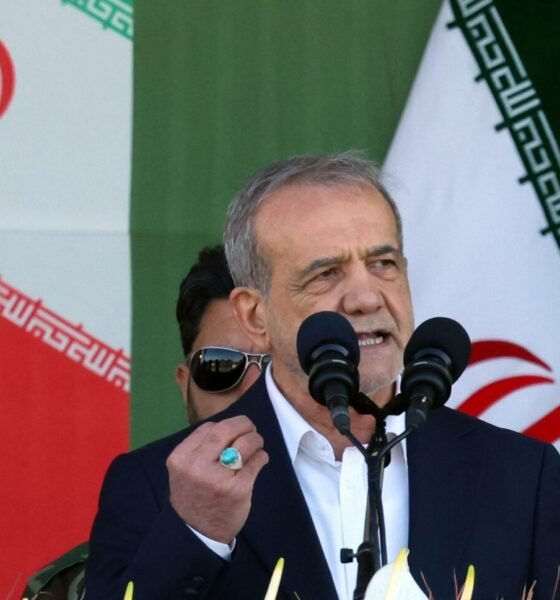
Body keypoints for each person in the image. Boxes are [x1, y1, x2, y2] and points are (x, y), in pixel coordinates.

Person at [84, 153, 560, 599]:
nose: (366, 298)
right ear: (255, 317)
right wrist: (196, 532)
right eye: (326, 273)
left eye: (383, 264)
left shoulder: (523, 476)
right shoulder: (157, 485)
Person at [21, 245, 265, 600]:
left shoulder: (349, 473)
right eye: (220, 365)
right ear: (185, 385)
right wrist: (197, 528)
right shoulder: (139, 482)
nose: (254, 387)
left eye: (277, 369)